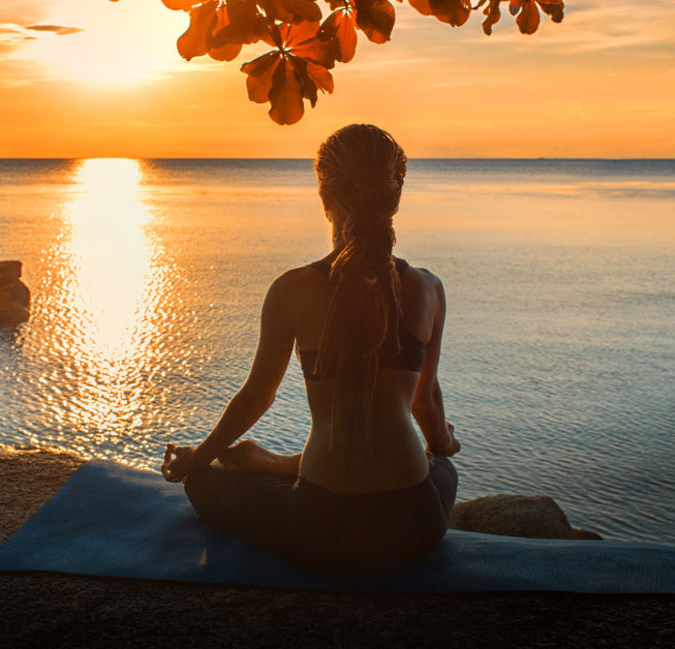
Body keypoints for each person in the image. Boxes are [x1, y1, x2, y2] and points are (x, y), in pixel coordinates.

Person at [160, 124, 461, 573]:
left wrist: (195, 460)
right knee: (443, 470)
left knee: (204, 484)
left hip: (321, 524)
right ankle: (283, 465)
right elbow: (426, 402)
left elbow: (256, 397)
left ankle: (284, 466)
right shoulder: (428, 288)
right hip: (414, 524)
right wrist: (443, 442)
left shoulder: (292, 290)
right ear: (395, 198)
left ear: (325, 199)